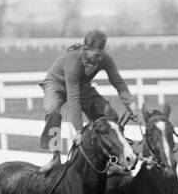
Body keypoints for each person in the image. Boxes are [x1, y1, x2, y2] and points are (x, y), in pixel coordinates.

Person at [38, 29, 143, 171]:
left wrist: (130, 103)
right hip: (56, 84)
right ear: (85, 49)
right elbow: (73, 98)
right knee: (52, 111)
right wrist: (79, 131)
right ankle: (55, 157)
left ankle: (115, 157)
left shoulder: (104, 59)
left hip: (81, 86)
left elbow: (118, 82)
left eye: (101, 54)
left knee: (109, 115)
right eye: (96, 55)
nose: (100, 58)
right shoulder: (73, 60)